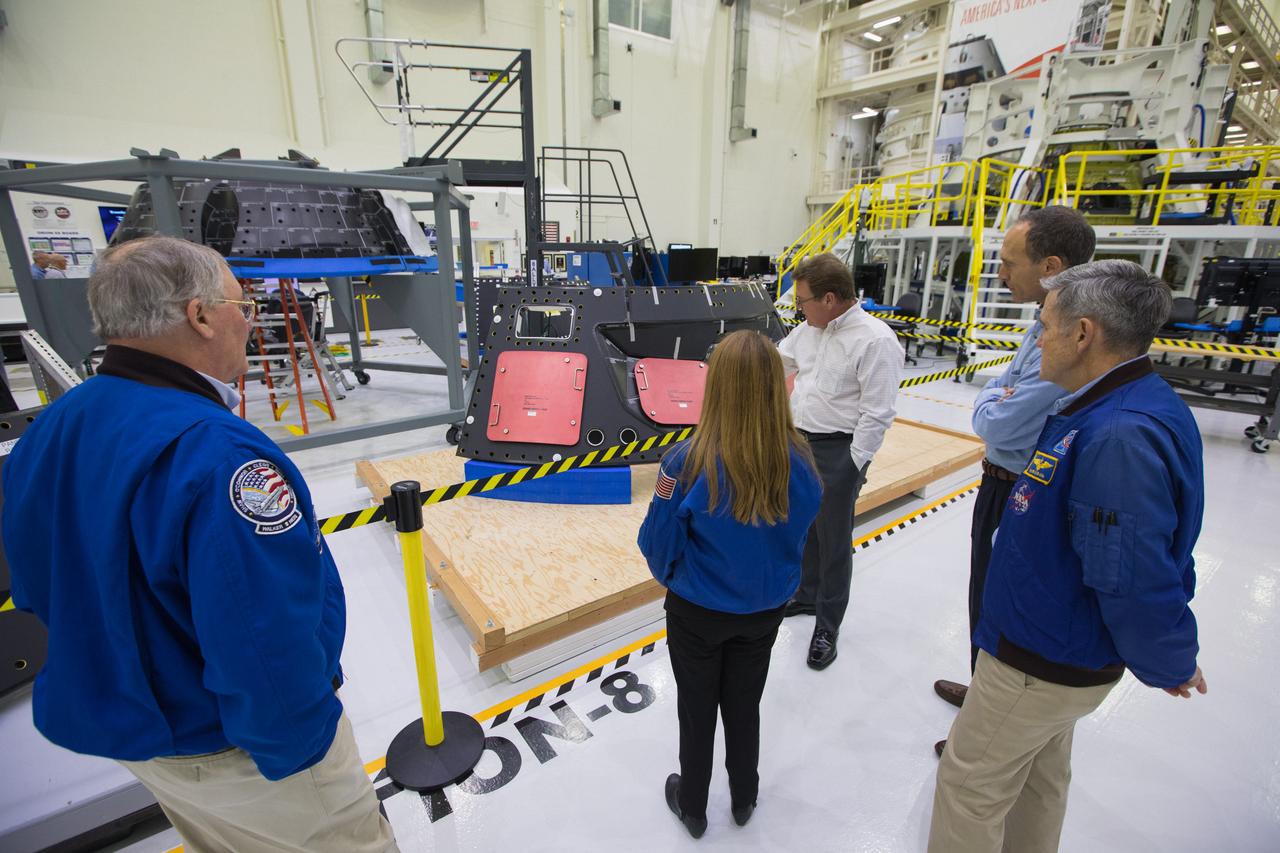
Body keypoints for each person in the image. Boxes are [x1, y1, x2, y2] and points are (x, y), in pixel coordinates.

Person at [2, 236, 397, 853]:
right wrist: (306, 755)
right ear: (200, 315)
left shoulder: (52, 426)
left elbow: (31, 582)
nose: (250, 319)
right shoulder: (218, 455)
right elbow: (261, 639)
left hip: (137, 733)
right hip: (240, 751)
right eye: (241, 303)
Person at [928, 259, 1207, 853]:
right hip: (1055, 649)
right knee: (1038, 781)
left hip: (1040, 659)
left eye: (1045, 326)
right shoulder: (1112, 405)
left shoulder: (1116, 435)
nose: (1038, 339)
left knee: (968, 786)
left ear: (1084, 334)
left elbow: (1132, 571)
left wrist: (1171, 659)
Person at [638, 329, 823, 839]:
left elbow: (657, 540)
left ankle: (693, 806)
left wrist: (676, 579)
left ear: (715, 386)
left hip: (697, 612)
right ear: (774, 386)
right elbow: (802, 532)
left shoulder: (684, 462)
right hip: (763, 611)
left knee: (696, 710)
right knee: (745, 704)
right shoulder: (801, 459)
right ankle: (745, 797)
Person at [933, 206, 1097, 754]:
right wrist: (997, 397)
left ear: (1051, 265)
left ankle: (985, 729)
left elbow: (996, 417)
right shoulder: (1039, 325)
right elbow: (997, 398)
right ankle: (984, 694)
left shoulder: (1072, 338)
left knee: (1005, 604)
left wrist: (996, 399)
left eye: (1009, 263)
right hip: (998, 477)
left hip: (1025, 487)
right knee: (984, 595)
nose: (1001, 275)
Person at [776, 252, 902, 669]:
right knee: (807, 527)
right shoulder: (810, 330)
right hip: (801, 443)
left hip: (839, 450)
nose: (798, 309)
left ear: (830, 299)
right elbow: (781, 359)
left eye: (802, 301)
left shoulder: (875, 340)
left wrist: (852, 465)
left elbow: (878, 412)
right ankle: (807, 596)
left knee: (833, 542)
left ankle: (828, 624)